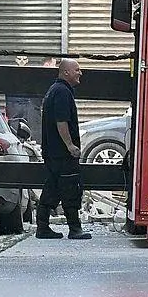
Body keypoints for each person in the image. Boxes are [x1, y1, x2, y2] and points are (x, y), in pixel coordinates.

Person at [36, 57, 91, 241]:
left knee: (52, 187)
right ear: (66, 72)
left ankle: (42, 227)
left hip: (52, 153)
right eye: (77, 70)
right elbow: (61, 121)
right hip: (62, 154)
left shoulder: (54, 90)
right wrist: (70, 145)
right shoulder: (62, 92)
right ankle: (75, 229)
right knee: (70, 188)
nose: (80, 73)